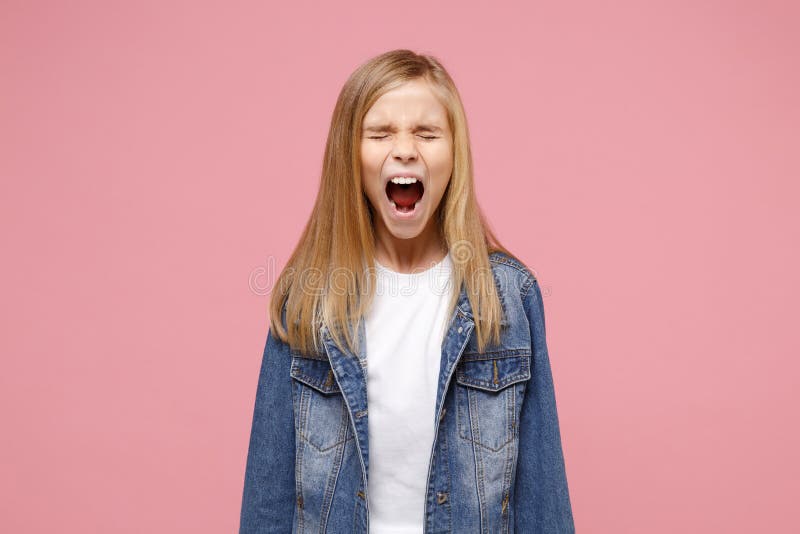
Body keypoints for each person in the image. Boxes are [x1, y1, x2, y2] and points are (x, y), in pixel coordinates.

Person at [239, 49, 575, 533]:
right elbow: (267, 502)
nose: (405, 149)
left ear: (454, 153)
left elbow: (543, 502)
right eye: (380, 133)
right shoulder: (307, 300)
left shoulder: (508, 297)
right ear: (350, 156)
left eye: (426, 133)